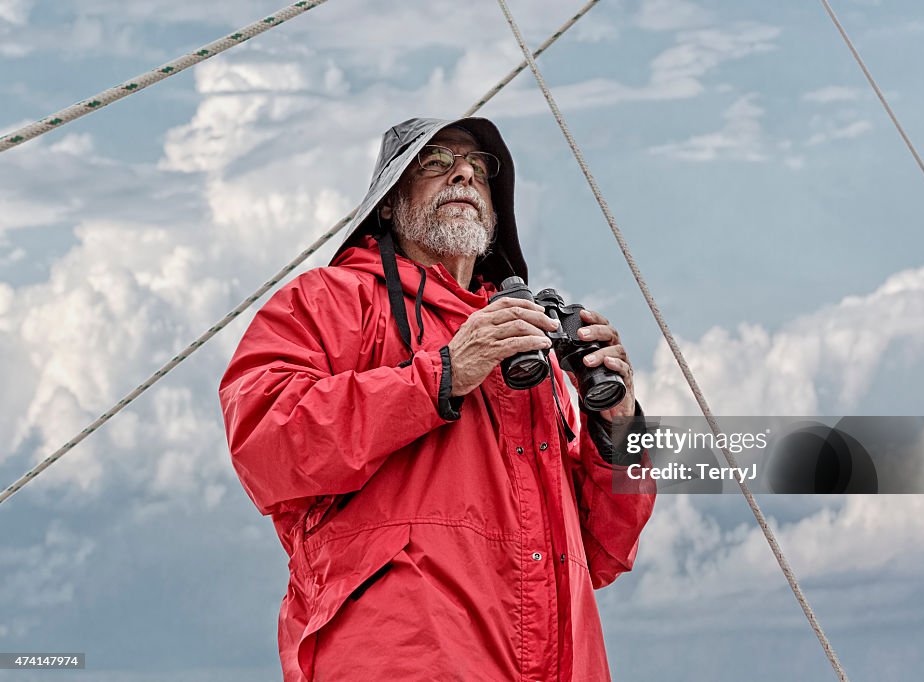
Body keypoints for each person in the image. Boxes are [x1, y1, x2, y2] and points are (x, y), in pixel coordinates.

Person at [219, 116, 655, 681]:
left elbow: (603, 551)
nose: (465, 175)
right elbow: (265, 442)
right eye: (436, 163)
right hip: (402, 659)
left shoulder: (526, 347)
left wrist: (617, 429)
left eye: (480, 168)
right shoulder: (329, 301)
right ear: (387, 203)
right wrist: (443, 375)